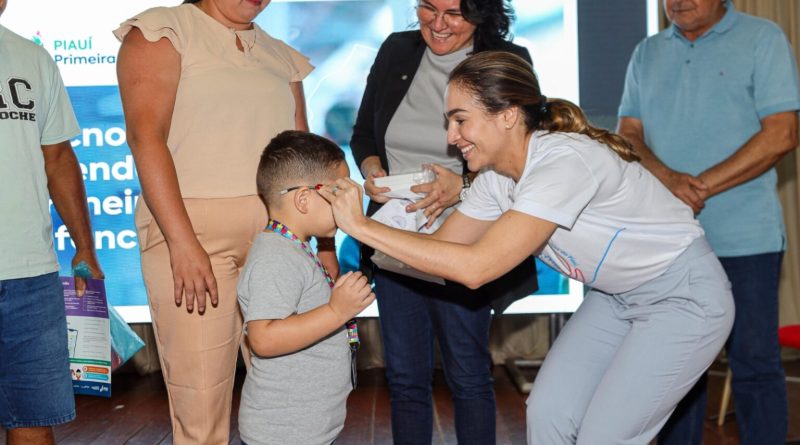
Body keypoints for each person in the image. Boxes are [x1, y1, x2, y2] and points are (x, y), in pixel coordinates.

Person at [323, 50, 735, 444]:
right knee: (548, 413)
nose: (451, 137)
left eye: (460, 120)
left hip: (683, 295)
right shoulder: (495, 180)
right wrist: (377, 225)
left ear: (507, 115)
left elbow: (475, 268)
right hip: (615, 296)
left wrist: (362, 226)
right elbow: (440, 252)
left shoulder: (562, 162)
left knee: (606, 436)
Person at [114, 1, 332, 442]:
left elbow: (305, 157)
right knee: (200, 400)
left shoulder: (281, 53)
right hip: (190, 235)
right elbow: (145, 137)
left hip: (279, 236)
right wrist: (181, 242)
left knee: (291, 395)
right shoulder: (161, 32)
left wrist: (324, 244)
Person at [349, 1, 534, 443]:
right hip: (395, 236)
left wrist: (463, 184)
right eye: (428, 8)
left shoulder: (507, 60)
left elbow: (522, 157)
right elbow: (364, 135)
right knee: (404, 378)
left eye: (453, 13)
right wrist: (373, 170)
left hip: (467, 242)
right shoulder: (397, 50)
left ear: (481, 12)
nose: (437, 23)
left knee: (468, 375)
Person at [616, 1, 799, 443]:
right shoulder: (646, 51)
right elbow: (627, 134)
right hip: (671, 242)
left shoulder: (762, 38)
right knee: (676, 372)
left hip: (746, 239)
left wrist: (697, 186)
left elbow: (783, 133)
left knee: (754, 365)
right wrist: (671, 180)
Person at [0, 0, 104, 443]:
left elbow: (58, 157)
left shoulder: (33, 57)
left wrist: (85, 246)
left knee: (33, 419)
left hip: (32, 276)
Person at [237, 130, 375, 445]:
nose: (347, 204)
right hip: (282, 434)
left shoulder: (295, 248)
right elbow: (263, 338)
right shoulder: (275, 256)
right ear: (303, 199)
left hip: (303, 428)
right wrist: (336, 311)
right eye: (338, 193)